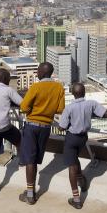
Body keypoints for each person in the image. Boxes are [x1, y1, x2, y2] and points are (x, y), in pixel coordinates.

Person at [58, 82, 107, 209]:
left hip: (72, 138)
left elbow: (61, 127)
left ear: (73, 94)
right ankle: (82, 180)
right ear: (84, 93)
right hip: (83, 138)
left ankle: (76, 199)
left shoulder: (69, 108)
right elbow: (106, 114)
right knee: (75, 159)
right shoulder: (91, 104)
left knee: (71, 165)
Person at [18, 62, 65, 205]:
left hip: (32, 126)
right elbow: (60, 109)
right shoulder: (59, 87)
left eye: (38, 70)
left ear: (43, 72)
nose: (36, 73)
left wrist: (35, 109)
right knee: (36, 158)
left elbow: (24, 107)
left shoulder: (36, 87)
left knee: (30, 160)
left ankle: (31, 194)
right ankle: (31, 190)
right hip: (46, 127)